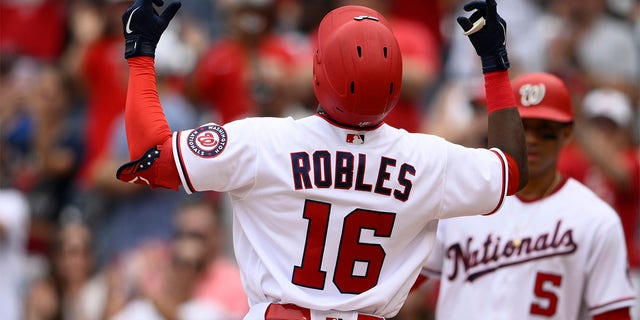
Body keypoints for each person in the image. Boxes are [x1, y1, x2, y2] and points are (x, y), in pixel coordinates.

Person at [116, 0, 528, 318]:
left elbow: (152, 159)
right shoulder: (427, 159)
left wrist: (140, 54)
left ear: (318, 73)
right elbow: (512, 170)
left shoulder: (265, 141)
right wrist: (495, 64)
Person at [417, 72, 636, 320]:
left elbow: (613, 314)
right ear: (501, 128)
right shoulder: (464, 200)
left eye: (545, 130)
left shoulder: (596, 219)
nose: (531, 140)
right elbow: (405, 282)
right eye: (521, 128)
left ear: (566, 134)